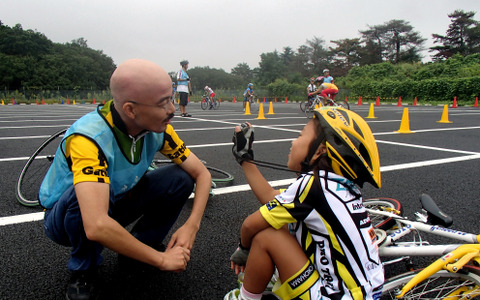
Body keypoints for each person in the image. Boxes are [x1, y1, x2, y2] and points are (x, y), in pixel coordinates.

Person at [39, 59, 212, 300]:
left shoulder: (158, 129)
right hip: (67, 217)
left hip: (115, 200)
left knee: (180, 177)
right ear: (130, 110)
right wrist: (163, 261)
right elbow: (96, 223)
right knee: (85, 199)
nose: (172, 109)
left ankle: (142, 247)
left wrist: (192, 225)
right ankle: (84, 268)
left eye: (171, 99)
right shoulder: (89, 139)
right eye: (163, 103)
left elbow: (201, 174)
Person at [225, 107, 384, 300]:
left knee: (265, 235)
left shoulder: (312, 186)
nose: (293, 142)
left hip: (335, 296)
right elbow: (271, 198)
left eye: (300, 136)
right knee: (281, 222)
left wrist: (244, 249)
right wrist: (245, 158)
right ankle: (265, 278)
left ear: (320, 151)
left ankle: (246, 298)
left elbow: (250, 224)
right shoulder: (335, 186)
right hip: (366, 292)